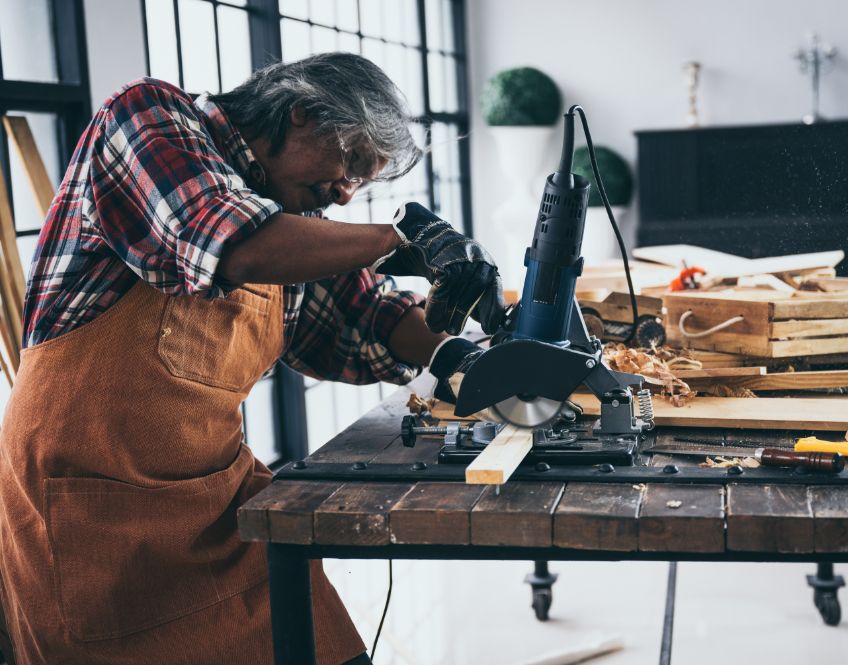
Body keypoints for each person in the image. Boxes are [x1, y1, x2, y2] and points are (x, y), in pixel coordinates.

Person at [0, 52, 501, 664]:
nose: (344, 196)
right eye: (349, 165)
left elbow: (371, 317)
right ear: (300, 114)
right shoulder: (146, 118)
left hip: (214, 505)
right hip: (92, 517)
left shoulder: (293, 220)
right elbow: (228, 242)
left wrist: (479, 350)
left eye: (361, 186)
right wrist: (401, 239)